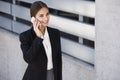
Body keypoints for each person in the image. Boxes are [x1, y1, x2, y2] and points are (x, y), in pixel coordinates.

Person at [19, 1, 62, 80]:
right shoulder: (25, 36)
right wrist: (38, 38)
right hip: (35, 77)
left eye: (47, 14)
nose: (46, 18)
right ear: (33, 18)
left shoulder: (55, 33)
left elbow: (58, 61)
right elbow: (28, 58)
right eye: (41, 15)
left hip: (52, 75)